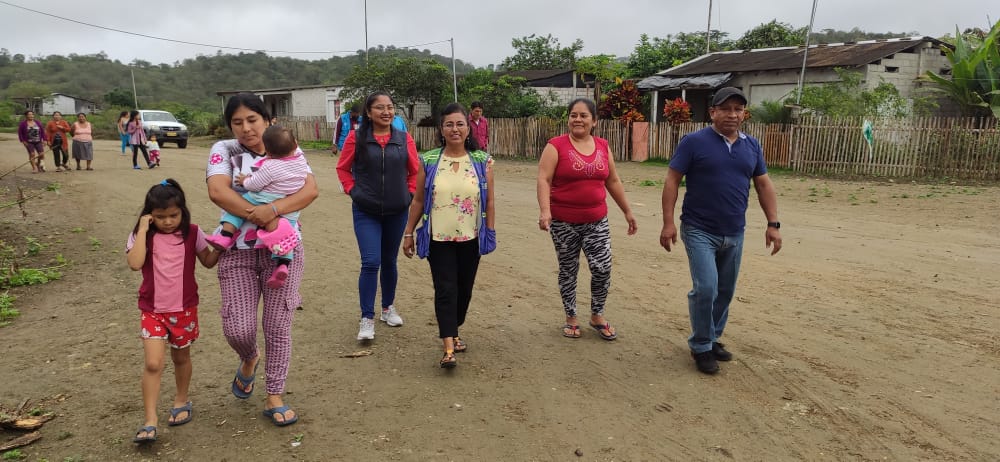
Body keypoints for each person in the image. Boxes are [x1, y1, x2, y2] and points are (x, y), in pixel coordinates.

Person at [206, 92, 318, 427]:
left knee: (277, 325)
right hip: (237, 250)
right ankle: (249, 356)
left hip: (282, 249)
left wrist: (272, 210)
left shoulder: (288, 147)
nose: (246, 128)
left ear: (268, 121)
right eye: (237, 122)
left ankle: (274, 395)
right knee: (238, 329)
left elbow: (310, 190)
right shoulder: (225, 150)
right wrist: (260, 214)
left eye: (252, 120)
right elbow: (218, 191)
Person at [659, 87, 782, 375]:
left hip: (734, 231)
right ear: (712, 112)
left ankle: (712, 337)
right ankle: (701, 345)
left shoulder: (752, 146)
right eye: (725, 109)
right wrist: (668, 222)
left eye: (738, 109)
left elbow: (763, 184)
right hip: (699, 229)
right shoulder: (694, 142)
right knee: (706, 288)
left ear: (744, 114)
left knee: (725, 291)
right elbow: (672, 180)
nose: (732, 114)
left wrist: (773, 224)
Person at [125, 179, 220, 443]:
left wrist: (223, 244)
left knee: (181, 358)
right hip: (152, 310)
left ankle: (181, 399)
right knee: (153, 363)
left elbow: (208, 261)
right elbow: (134, 264)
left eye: (173, 215)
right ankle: (150, 420)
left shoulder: (192, 233)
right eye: (160, 217)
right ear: (149, 215)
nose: (167, 222)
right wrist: (143, 230)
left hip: (184, 310)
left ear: (182, 212)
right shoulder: (143, 236)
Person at [402, 103, 495, 369]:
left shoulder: (483, 161)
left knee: (464, 291)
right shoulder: (429, 160)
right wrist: (409, 233)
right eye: (449, 124)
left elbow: (489, 202)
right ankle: (448, 348)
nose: (455, 129)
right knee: (446, 289)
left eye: (460, 124)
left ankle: (454, 328)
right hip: (438, 238)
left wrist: (490, 232)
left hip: (471, 238)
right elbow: (418, 200)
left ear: (468, 128)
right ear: (441, 129)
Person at [537, 98, 637, 341]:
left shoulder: (602, 146)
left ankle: (597, 315)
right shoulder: (555, 146)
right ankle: (571, 317)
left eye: (583, 115)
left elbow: (612, 180)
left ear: (594, 121)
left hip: (596, 220)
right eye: (573, 115)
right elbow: (544, 179)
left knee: (602, 267)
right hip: (563, 222)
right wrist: (545, 210)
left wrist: (627, 211)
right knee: (568, 269)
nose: (578, 119)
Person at [336, 91, 419, 341]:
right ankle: (367, 317)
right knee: (371, 262)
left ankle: (387, 308)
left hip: (397, 210)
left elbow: (415, 171)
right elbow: (343, 169)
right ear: (369, 113)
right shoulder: (356, 138)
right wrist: (353, 191)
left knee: (389, 261)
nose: (386, 112)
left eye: (390, 107)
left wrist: (409, 194)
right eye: (380, 108)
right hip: (366, 210)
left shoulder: (404, 138)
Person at [205, 125, 309, 289]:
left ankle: (225, 235)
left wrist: (245, 180)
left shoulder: (270, 166)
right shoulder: (300, 160)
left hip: (264, 198)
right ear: (295, 145)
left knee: (237, 207)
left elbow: (255, 184)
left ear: (268, 152)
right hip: (290, 209)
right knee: (285, 236)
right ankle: (282, 264)